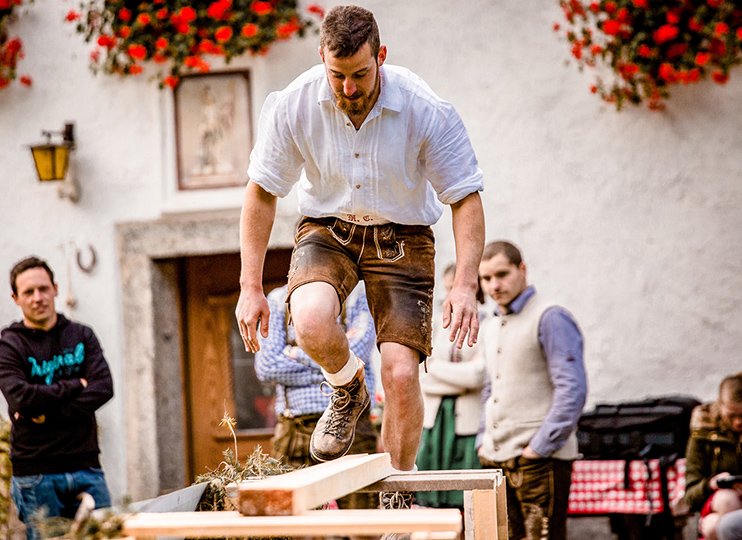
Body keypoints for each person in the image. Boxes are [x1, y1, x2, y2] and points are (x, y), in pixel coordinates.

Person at [235, 4, 485, 510]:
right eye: (337, 76)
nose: (349, 89)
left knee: (397, 372)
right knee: (307, 319)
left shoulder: (423, 107)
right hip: (328, 228)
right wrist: (250, 286)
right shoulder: (295, 104)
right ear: (321, 60)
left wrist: (464, 284)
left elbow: (465, 197)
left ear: (382, 58)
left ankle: (398, 489)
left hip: (404, 235)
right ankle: (348, 389)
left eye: (361, 75)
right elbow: (261, 193)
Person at [0, 256, 114, 540]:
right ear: (16, 298)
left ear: (56, 289)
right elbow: (22, 399)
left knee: (107, 538)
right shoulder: (9, 346)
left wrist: (46, 412)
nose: (38, 298)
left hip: (87, 468)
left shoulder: (82, 336)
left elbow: (103, 388)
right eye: (28, 292)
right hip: (36, 475)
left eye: (43, 288)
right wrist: (75, 385)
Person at [476, 241, 587, 540]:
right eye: (486, 278)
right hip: (496, 459)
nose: (494, 285)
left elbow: (572, 389)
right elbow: (491, 387)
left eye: (502, 274)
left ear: (522, 269)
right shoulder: (490, 324)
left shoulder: (551, 316)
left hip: (541, 460)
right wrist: (481, 441)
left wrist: (538, 448)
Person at [254, 282, 380, 518]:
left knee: (361, 522)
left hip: (351, 426)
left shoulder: (357, 295)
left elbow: (358, 352)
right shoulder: (278, 299)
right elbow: (267, 366)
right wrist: (336, 362)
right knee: (294, 522)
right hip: (294, 431)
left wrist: (293, 352)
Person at [415, 263, 485, 508]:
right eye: (445, 290)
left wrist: (435, 369)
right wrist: (462, 378)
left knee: (468, 499)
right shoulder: (435, 324)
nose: (450, 297)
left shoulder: (488, 323)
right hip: (435, 422)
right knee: (431, 498)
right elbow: (421, 374)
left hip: (468, 425)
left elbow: (480, 376)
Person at [683, 373, 742, 540]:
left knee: (712, 526)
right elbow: (690, 497)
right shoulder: (703, 432)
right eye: (732, 415)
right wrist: (712, 484)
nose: (738, 422)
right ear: (719, 404)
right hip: (721, 505)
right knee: (726, 499)